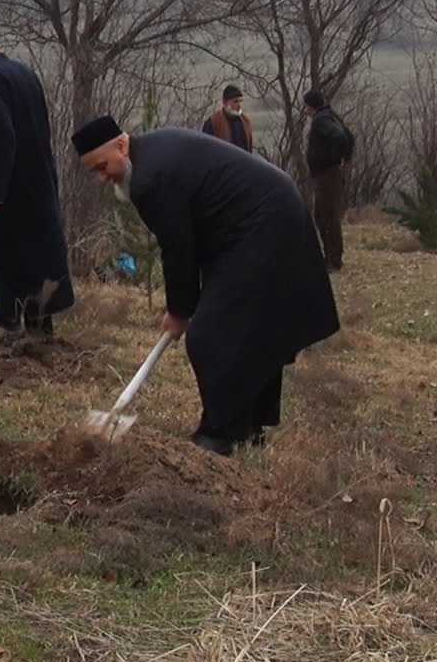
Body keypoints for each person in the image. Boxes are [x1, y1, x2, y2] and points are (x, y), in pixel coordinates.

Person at [72, 116, 339, 455]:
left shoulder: (150, 178)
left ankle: (219, 435)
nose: (100, 177)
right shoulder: (151, 156)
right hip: (252, 224)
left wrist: (180, 311)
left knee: (210, 335)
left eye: (102, 166)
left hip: (265, 223)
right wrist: (186, 304)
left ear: (121, 147)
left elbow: (178, 248)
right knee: (250, 330)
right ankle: (247, 427)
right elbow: (189, 239)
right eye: (93, 171)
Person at [0, 21, 74, 333]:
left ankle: (10, 316)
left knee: (9, 253)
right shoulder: (24, 72)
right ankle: (38, 323)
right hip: (40, 180)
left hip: (12, 186)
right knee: (38, 255)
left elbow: (1, 138)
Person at [303, 89, 355, 271]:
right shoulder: (331, 115)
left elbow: (340, 137)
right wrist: (345, 159)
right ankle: (331, 257)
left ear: (310, 106)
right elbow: (349, 137)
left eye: (306, 107)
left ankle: (333, 260)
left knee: (327, 217)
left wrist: (332, 158)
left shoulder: (321, 121)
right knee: (323, 216)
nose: (306, 111)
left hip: (327, 175)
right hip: (330, 173)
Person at [201, 83, 256, 154]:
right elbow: (206, 150)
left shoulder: (246, 122)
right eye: (235, 101)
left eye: (240, 101)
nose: (239, 105)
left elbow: (249, 151)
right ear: (225, 102)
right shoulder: (213, 122)